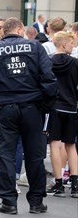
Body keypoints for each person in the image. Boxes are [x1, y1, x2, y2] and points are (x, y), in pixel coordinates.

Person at [0, 18, 58, 214]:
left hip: (6, 107)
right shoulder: (35, 47)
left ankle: (8, 201)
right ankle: (36, 201)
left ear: (3, 32)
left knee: (6, 153)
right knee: (35, 155)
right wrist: (46, 105)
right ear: (21, 30)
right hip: (33, 107)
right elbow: (49, 78)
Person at [46, 31, 78, 198]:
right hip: (71, 107)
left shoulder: (48, 61)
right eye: (72, 43)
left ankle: (58, 183)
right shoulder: (75, 63)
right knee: (71, 145)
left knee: (54, 144)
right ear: (64, 44)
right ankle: (75, 184)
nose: (73, 46)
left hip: (54, 107)